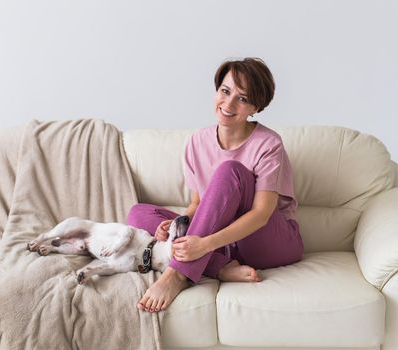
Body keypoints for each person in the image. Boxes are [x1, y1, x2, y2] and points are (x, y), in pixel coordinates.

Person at [126, 57, 303, 313]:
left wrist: (205, 244)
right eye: (225, 91)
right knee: (138, 214)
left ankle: (177, 275)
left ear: (255, 107)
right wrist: (179, 224)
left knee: (230, 171)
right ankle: (220, 267)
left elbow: (261, 215)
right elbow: (197, 204)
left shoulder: (268, 144)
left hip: (269, 241)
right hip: (224, 243)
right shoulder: (197, 141)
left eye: (242, 99)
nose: (228, 104)